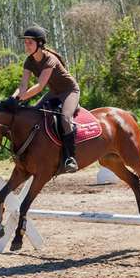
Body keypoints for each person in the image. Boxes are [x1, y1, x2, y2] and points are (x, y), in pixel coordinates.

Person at [15, 27, 82, 173]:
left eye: (29, 42)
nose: (26, 45)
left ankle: (71, 158)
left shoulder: (50, 59)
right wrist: (13, 99)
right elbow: (23, 85)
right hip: (55, 92)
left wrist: (22, 97)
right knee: (35, 113)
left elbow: (39, 86)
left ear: (39, 44)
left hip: (70, 91)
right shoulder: (28, 61)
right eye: (25, 42)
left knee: (65, 119)